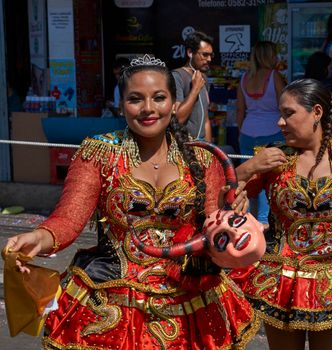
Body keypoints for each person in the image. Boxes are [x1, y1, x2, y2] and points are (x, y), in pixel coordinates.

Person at [3, 54, 261, 349]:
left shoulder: (202, 159)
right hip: (113, 300)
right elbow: (68, 219)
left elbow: (212, 228)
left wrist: (231, 218)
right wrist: (38, 237)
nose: (148, 108)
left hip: (187, 298)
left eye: (159, 98)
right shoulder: (99, 154)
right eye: (135, 99)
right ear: (121, 104)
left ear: (175, 103)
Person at [230, 79, 332, 350]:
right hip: (281, 278)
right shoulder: (273, 158)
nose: (280, 122)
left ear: (316, 112)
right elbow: (220, 198)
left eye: (288, 113)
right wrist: (247, 170)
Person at [236, 40, 286, 227]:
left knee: (246, 178)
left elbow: (240, 110)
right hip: (272, 132)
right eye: (274, 54)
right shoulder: (275, 76)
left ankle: (243, 217)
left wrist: (243, 130)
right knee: (268, 179)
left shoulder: (243, 78)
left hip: (248, 132)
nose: (277, 58)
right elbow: (285, 105)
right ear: (268, 56)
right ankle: (264, 222)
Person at [172, 31, 214, 141]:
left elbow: (205, 119)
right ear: (190, 52)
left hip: (202, 144)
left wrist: (209, 149)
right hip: (184, 144)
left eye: (211, 55)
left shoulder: (203, 78)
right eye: (205, 54)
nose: (209, 59)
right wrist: (195, 89)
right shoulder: (177, 76)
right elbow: (178, 118)